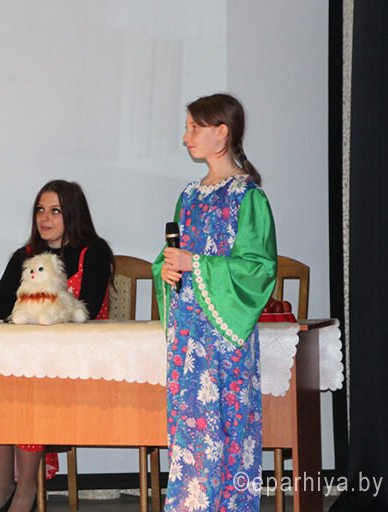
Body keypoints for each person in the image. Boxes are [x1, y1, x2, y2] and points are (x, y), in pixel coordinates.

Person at [152, 93, 277, 511]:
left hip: (224, 339)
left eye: (194, 127)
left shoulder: (248, 197)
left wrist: (197, 264)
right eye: (187, 127)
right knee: (191, 433)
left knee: (226, 431)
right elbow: (173, 256)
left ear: (221, 132)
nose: (185, 136)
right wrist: (166, 268)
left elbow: (258, 269)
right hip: (188, 339)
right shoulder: (189, 195)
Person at [0, 180, 114, 512]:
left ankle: (26, 491)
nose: (45, 218)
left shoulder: (94, 252)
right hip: (29, 361)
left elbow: (87, 308)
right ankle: (4, 488)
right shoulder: (27, 256)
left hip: (79, 363)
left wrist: (42, 306)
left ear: (73, 214)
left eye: (55, 211)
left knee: (26, 392)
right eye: (40, 210)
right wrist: (28, 308)